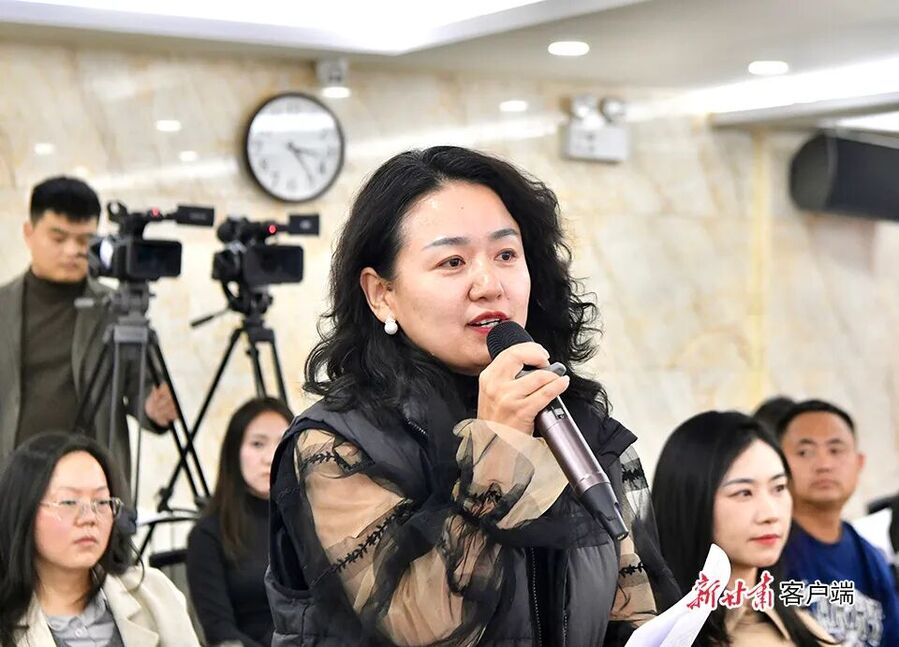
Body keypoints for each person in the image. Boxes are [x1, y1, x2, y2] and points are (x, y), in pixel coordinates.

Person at [266, 146, 677, 646]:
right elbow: (424, 628)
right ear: (381, 294)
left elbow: (633, 608)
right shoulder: (337, 445)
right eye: (453, 261)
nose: (489, 284)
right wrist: (498, 445)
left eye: (506, 255)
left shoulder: (569, 417)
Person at [0, 176, 177, 481]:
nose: (72, 251)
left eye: (85, 240)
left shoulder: (117, 308)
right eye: (58, 238)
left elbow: (143, 387)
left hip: (93, 480)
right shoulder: (4, 305)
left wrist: (153, 408)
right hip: (11, 479)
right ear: (29, 233)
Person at [0, 432, 199, 646]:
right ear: (22, 511)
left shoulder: (155, 593)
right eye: (69, 502)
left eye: (102, 502)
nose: (90, 518)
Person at [653, 410, 833, 646]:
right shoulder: (653, 632)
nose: (770, 514)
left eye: (779, 488)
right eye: (744, 493)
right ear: (690, 502)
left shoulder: (804, 627)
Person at [778, 399, 899, 647]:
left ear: (859, 462)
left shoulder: (872, 558)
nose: (824, 465)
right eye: (805, 452)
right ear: (778, 464)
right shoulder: (767, 551)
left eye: (836, 450)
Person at [186, 396, 292, 647]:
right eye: (258, 444)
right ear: (234, 452)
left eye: (282, 444)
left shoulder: (312, 520)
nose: (270, 457)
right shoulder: (208, 534)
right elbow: (220, 631)